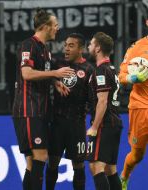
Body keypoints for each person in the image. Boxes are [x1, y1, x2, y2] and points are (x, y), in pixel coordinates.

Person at [12, 8, 75, 190]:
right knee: (40, 156)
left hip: (40, 109)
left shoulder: (45, 50)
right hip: (28, 108)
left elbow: (41, 73)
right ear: (46, 26)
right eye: (55, 25)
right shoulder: (28, 45)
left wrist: (54, 81)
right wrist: (55, 73)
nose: (57, 28)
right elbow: (27, 73)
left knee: (32, 163)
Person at [46, 33, 94, 190]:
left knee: (79, 165)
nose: (66, 48)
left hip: (77, 124)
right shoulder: (58, 64)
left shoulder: (89, 70)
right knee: (52, 162)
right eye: (65, 45)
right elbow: (44, 76)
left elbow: (94, 99)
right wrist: (54, 81)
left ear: (81, 49)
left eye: (71, 45)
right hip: (57, 123)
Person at [86, 32, 123, 190]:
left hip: (104, 124)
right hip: (114, 123)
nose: (89, 46)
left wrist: (94, 127)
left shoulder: (101, 70)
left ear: (98, 48)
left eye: (91, 44)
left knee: (96, 167)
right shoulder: (112, 69)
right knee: (110, 169)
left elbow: (102, 101)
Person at [118, 17, 148, 190]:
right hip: (140, 107)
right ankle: (125, 176)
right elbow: (121, 77)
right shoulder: (136, 48)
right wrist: (132, 77)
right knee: (137, 155)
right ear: (147, 22)